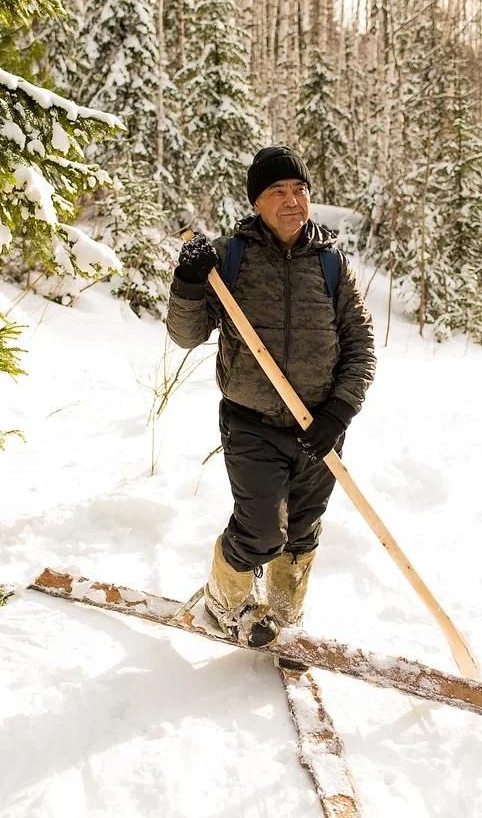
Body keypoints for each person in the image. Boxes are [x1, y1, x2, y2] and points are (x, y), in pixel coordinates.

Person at [166, 145, 376, 653]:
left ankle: (284, 617)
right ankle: (225, 601)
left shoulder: (330, 265)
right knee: (261, 531)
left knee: (302, 532)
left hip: (319, 426)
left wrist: (339, 411)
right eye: (277, 192)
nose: (292, 201)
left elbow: (361, 344)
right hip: (252, 420)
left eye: (300, 190)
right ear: (256, 203)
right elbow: (186, 335)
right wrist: (189, 284)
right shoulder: (230, 258)